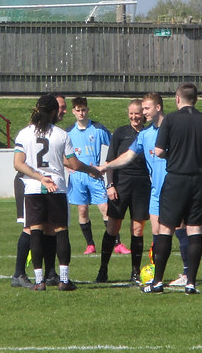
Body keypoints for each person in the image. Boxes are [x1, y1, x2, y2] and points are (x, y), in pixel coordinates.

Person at [101, 92, 192, 285]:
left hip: (174, 187)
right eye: (140, 109)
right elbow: (128, 155)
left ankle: (187, 274)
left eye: (146, 109)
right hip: (155, 191)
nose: (142, 113)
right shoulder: (145, 134)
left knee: (180, 228)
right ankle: (158, 278)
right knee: (158, 233)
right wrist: (105, 168)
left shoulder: (174, 128)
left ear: (158, 107)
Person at [13, 93, 103, 291]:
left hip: (34, 189)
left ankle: (39, 281)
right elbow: (73, 163)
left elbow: (18, 164)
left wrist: (38, 177)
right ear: (53, 112)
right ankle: (63, 279)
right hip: (57, 188)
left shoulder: (24, 133)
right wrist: (91, 170)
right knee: (60, 231)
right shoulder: (61, 134)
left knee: (35, 231)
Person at [148, 82, 202, 295]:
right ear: (196, 99)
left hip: (176, 179)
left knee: (166, 228)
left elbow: (159, 150)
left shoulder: (171, 119)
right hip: (198, 181)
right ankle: (191, 283)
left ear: (177, 98)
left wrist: (173, 155)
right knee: (194, 229)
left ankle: (157, 282)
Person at [12, 93, 65, 288]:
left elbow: (63, 160)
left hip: (45, 183)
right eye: (61, 107)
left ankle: (50, 273)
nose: (63, 111)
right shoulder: (30, 132)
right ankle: (18, 273)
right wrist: (40, 176)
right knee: (31, 227)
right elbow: (19, 163)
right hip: (28, 183)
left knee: (50, 226)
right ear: (51, 111)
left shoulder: (56, 133)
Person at [94, 99, 151, 284]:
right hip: (120, 185)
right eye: (131, 113)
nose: (134, 117)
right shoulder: (120, 133)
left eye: (138, 113)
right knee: (113, 227)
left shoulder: (150, 133)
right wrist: (110, 186)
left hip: (142, 185)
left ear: (144, 114)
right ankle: (103, 269)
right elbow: (110, 161)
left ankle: (135, 273)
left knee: (137, 228)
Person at [66, 96, 111, 255]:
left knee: (105, 208)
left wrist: (104, 165)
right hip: (77, 177)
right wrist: (68, 166)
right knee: (82, 210)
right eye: (78, 110)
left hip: (95, 175)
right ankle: (90, 244)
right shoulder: (68, 132)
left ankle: (117, 243)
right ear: (73, 111)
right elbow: (59, 154)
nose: (81, 113)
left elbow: (114, 148)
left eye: (83, 110)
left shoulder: (98, 129)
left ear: (88, 110)